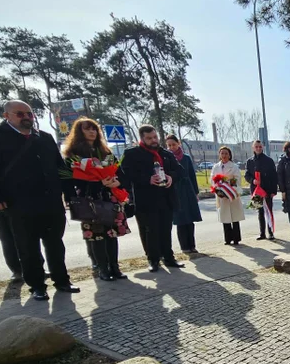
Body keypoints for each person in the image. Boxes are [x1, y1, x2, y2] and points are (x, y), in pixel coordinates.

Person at [0, 100, 79, 301]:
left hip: (51, 202)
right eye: (20, 114)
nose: (26, 118)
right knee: (28, 247)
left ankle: (62, 280)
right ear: (7, 116)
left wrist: (70, 195)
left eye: (29, 114)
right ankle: (37, 285)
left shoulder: (44, 138)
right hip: (18, 203)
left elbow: (61, 168)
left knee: (55, 244)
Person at [61, 118, 130, 281]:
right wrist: (96, 183)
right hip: (89, 199)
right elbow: (68, 180)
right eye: (87, 129)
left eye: (94, 129)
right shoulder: (73, 155)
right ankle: (103, 269)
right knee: (97, 235)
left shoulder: (106, 152)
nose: (92, 132)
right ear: (79, 132)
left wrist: (117, 181)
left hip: (108, 197)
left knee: (111, 234)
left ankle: (115, 267)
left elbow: (120, 172)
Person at [119, 125, 183, 272]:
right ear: (142, 138)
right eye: (149, 138)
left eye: (155, 137)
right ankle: (153, 260)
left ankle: (169, 257)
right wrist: (147, 179)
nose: (153, 140)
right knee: (150, 230)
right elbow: (126, 175)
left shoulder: (166, 153)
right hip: (146, 200)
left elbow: (179, 170)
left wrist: (171, 177)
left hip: (166, 197)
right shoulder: (132, 154)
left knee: (166, 229)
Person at [165, 135, 202, 253]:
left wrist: (195, 192)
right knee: (180, 219)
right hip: (175, 190)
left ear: (178, 143)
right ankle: (184, 247)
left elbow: (192, 175)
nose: (171, 147)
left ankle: (192, 245)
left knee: (189, 218)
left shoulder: (186, 158)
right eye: (169, 145)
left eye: (173, 144)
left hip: (187, 190)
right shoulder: (166, 158)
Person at [245, 140, 278, 240]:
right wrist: (253, 180)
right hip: (256, 191)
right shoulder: (250, 161)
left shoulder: (269, 160)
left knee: (268, 211)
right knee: (260, 212)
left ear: (262, 147)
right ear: (253, 148)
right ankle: (262, 233)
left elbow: (274, 177)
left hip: (267, 190)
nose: (258, 148)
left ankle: (271, 232)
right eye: (256, 147)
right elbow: (247, 175)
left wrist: (273, 191)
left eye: (260, 146)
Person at [211, 146, 245, 245]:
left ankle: (236, 239)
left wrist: (229, 187)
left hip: (232, 194)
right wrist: (218, 188)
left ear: (229, 155)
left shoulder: (234, 166)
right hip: (221, 195)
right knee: (225, 217)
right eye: (222, 153)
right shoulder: (216, 167)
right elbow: (212, 179)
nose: (224, 155)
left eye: (226, 153)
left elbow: (237, 178)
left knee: (234, 217)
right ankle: (227, 239)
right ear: (219, 155)